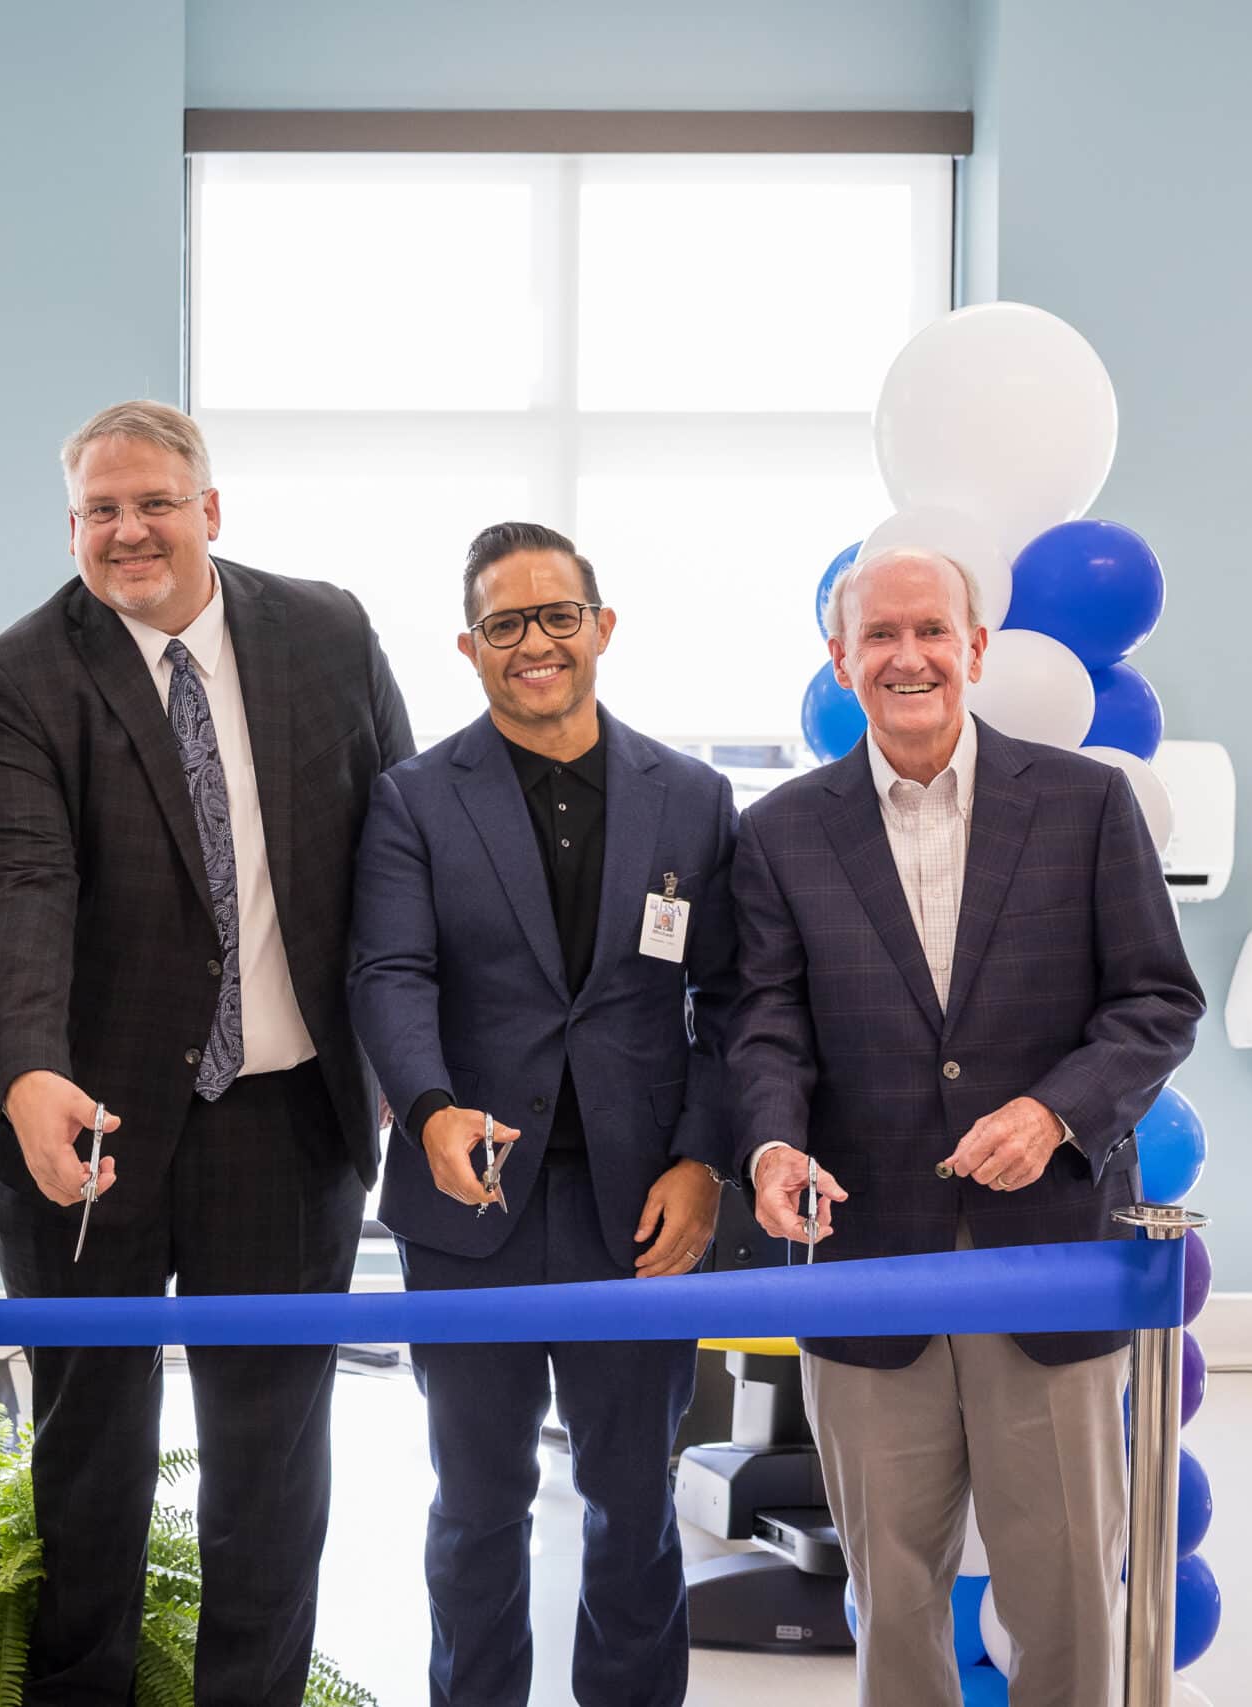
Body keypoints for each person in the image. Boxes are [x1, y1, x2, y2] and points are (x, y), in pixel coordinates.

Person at [0, 400, 413, 1705]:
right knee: (88, 1458)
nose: (129, 528)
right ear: (73, 526)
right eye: (101, 508)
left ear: (211, 507)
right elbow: (25, 885)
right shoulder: (18, 675)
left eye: (154, 500)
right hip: (85, 1120)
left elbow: (402, 846)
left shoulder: (327, 631)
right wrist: (30, 1064)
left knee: (271, 1463)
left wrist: (409, 1061)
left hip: (288, 1117)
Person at [730, 546, 1202, 1707]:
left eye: (930, 632)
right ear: (839, 661)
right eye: (878, 637)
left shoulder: (1087, 803)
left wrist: (1054, 1113)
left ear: (975, 648)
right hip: (865, 1266)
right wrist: (770, 1142)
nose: (907, 658)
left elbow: (1156, 1001)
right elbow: (764, 1027)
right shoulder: (780, 832)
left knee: (1067, 1606)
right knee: (891, 1603)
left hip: (1047, 1261)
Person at [348, 522, 738, 1706]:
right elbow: (389, 975)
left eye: (557, 615)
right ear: (469, 648)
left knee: (633, 1502)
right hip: (472, 1207)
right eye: (506, 623)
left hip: (642, 1206)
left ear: (601, 627)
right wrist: (426, 1110)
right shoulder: (414, 798)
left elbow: (729, 997)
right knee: (475, 1505)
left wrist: (702, 1163)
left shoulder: (693, 797)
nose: (535, 643)